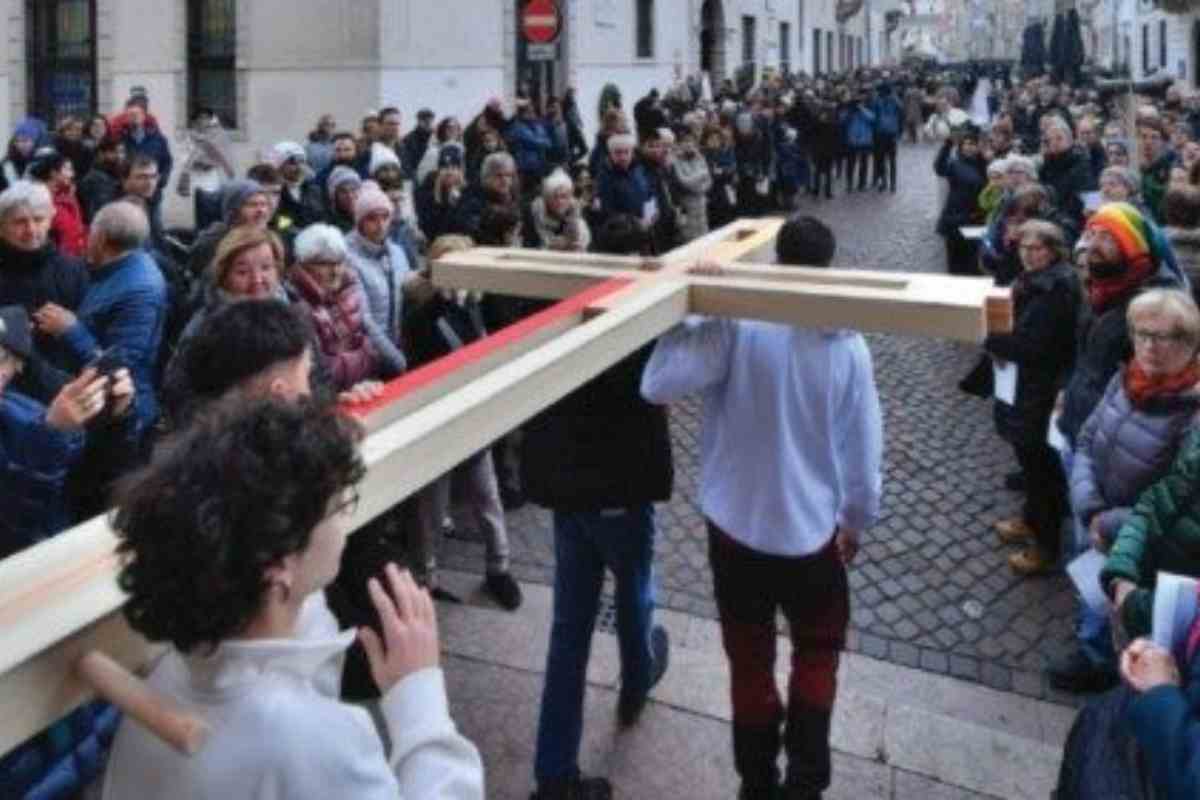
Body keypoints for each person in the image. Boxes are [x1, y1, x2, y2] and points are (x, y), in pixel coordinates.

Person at [101, 399, 485, 800]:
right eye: (340, 506)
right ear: (279, 564)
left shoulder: (167, 679)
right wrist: (418, 697)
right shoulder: (311, 740)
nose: (345, 521)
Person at [641, 215, 882, 800]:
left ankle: (756, 781)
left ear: (775, 259)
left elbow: (657, 385)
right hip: (811, 534)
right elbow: (863, 453)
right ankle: (806, 780)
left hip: (736, 528)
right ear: (828, 267)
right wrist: (854, 521)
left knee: (749, 661)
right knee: (818, 654)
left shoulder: (738, 322)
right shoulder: (849, 343)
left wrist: (692, 312)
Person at [525, 215, 673, 800]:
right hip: (616, 491)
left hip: (569, 491)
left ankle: (553, 770)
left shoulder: (566, 307)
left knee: (569, 628)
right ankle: (637, 679)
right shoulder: (638, 323)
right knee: (634, 596)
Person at [1049, 289, 1200, 693]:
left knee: (1118, 608)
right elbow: (1086, 440)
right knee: (1089, 587)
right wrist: (1088, 506)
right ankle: (1090, 644)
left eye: (1163, 337)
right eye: (1141, 334)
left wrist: (1109, 523)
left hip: (1138, 541)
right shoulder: (1126, 377)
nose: (1149, 346)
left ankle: (1103, 662)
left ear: (1189, 343)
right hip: (1093, 513)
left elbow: (1178, 498)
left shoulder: (1192, 412)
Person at [984, 221, 1083, 576]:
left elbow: (1033, 347)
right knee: (1030, 465)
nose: (1028, 254)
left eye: (1037, 247)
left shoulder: (1056, 288)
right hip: (1026, 385)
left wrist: (986, 336)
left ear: (1054, 250)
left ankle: (1045, 547)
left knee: (1042, 470)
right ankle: (1030, 520)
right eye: (1024, 247)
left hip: (1040, 388)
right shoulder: (1034, 279)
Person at [32, 201, 166, 439]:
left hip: (119, 417)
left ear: (100, 238)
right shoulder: (113, 268)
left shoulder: (140, 291)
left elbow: (121, 365)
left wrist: (70, 329)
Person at [0, 181, 89, 403]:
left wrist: (71, 327)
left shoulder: (73, 269)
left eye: (38, 220)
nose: (30, 230)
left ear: (50, 220)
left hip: (60, 388)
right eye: (20, 222)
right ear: (2, 226)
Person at [287, 223, 388, 392]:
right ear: (304, 264)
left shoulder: (352, 292)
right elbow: (320, 370)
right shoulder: (297, 305)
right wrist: (362, 359)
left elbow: (371, 346)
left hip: (367, 388)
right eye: (325, 264)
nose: (335, 271)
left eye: (339, 262)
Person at [934, 126, 987, 276]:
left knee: (973, 262)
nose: (970, 147)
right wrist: (948, 144)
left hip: (976, 219)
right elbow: (939, 168)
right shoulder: (954, 164)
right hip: (955, 219)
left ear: (978, 146)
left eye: (973, 144)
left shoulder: (984, 164)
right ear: (961, 147)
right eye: (966, 144)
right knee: (954, 264)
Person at [28, 150, 87, 258]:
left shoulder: (66, 196)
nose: (72, 174)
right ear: (53, 173)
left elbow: (77, 231)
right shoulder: (37, 202)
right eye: (67, 169)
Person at [529, 169, 590, 252]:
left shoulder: (575, 211)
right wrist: (552, 245)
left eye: (563, 196)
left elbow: (580, 244)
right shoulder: (537, 211)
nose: (560, 201)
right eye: (555, 196)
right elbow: (536, 243)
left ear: (569, 197)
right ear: (548, 198)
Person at [77, 136, 124, 224]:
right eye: (114, 152)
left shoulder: (116, 175)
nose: (119, 156)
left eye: (121, 152)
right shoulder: (94, 180)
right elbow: (97, 216)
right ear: (101, 154)